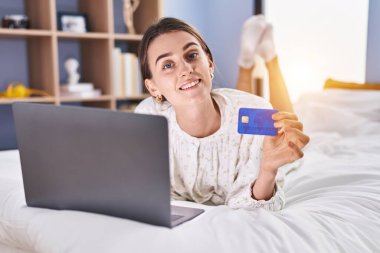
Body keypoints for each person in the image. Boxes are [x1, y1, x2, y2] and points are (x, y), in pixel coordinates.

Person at [135, 17, 309, 211]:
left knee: (273, 113)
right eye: (167, 65)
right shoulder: (147, 119)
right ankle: (251, 59)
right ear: (153, 88)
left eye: (192, 55)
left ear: (209, 65)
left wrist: (267, 170)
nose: (186, 69)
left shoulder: (254, 108)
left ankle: (269, 59)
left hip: (249, 120)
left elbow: (255, 209)